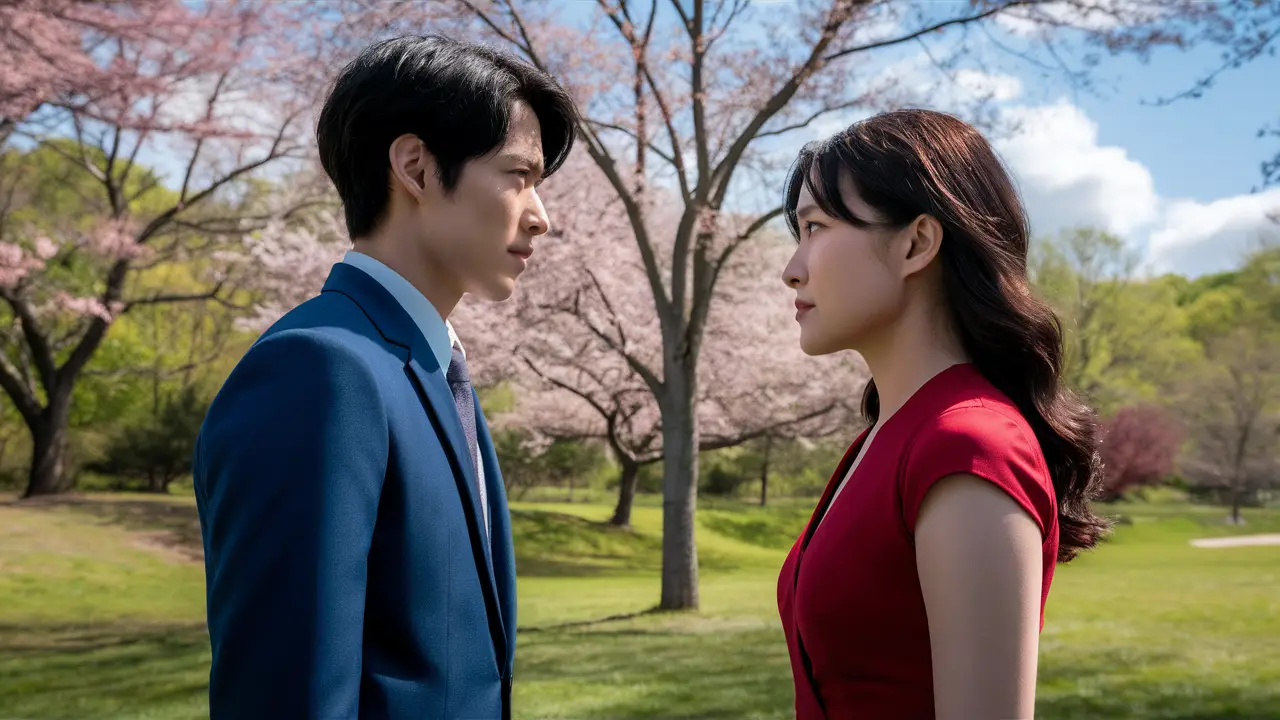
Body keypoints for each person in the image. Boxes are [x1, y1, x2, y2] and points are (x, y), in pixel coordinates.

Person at [192, 35, 576, 719]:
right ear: (417, 168)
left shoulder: (429, 367)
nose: (542, 217)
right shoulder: (320, 370)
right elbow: (289, 695)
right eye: (519, 176)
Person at [776, 109, 1109, 720]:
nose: (792, 268)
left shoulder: (969, 446)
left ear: (917, 243)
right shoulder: (888, 436)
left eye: (816, 227)